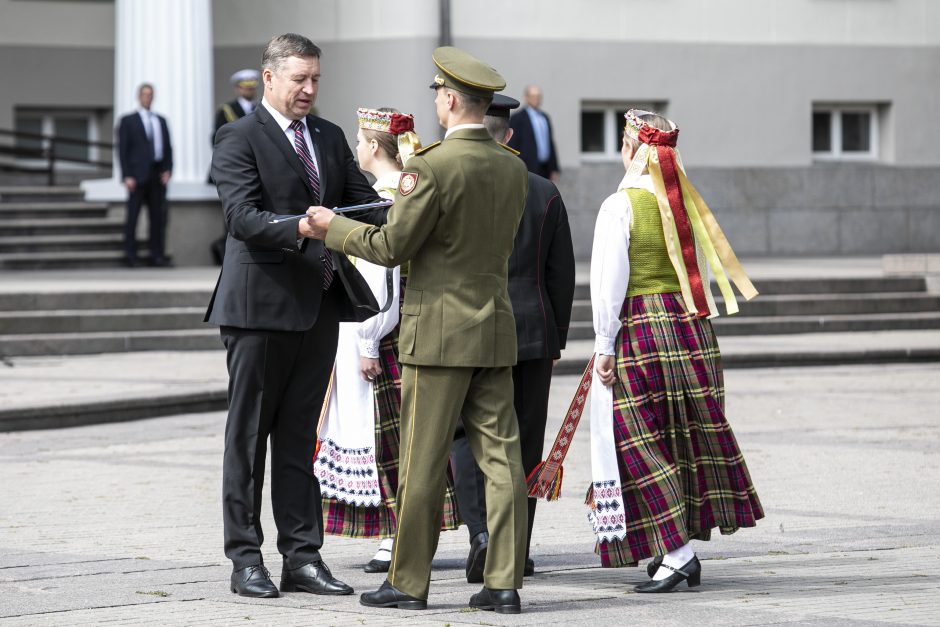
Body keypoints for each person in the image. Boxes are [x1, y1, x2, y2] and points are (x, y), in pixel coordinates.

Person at [307, 46, 529, 614]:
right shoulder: (512, 166)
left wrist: (333, 229)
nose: (436, 102)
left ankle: (408, 582)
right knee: (502, 462)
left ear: (451, 100)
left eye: (437, 94)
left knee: (422, 462)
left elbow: (390, 246)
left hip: (436, 334)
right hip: (494, 328)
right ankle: (503, 581)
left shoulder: (428, 167)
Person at [205, 33, 387, 600]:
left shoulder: (329, 137)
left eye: (315, 80)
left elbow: (364, 201)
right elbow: (241, 217)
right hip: (258, 309)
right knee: (248, 437)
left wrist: (406, 190)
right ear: (270, 77)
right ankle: (245, 559)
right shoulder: (238, 136)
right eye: (299, 80)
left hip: (319, 306)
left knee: (298, 439)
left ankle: (302, 557)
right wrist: (303, 227)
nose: (309, 89)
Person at [588, 109, 763, 593]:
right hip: (690, 329)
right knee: (678, 438)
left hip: (642, 330)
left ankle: (680, 553)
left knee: (638, 439)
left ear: (630, 150)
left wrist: (605, 345)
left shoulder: (619, 205)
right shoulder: (681, 203)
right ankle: (673, 547)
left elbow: (608, 285)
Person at [313, 107, 460, 574]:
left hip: (379, 330)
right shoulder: (404, 191)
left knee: (385, 436)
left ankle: (396, 534)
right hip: (388, 328)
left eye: (360, 140)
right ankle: (396, 532)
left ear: (373, 147)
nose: (357, 148)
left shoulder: (385, 198)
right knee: (397, 434)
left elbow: (383, 276)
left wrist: (368, 340)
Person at [450, 94, 575, 583]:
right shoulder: (543, 190)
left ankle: (482, 534)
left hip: (471, 326)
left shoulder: (456, 179)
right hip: (532, 332)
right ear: (511, 135)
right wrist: (557, 338)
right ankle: (517, 548)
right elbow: (560, 275)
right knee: (525, 441)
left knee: (466, 434)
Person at [117, 83, 173, 267]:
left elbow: (167, 148)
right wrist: (127, 175)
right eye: (144, 94)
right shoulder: (128, 121)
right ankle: (130, 255)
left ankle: (156, 255)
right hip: (137, 175)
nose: (147, 97)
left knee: (158, 218)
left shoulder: (161, 120)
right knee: (133, 216)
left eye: (150, 94)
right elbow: (123, 151)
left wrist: (168, 169)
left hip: (157, 175)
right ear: (139, 96)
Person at [209, 68, 261, 263]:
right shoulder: (226, 110)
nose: (249, 91)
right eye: (245, 88)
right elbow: (217, 139)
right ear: (238, 89)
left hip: (258, 167)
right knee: (234, 211)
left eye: (251, 88)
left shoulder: (259, 108)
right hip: (237, 167)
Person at [507, 85, 559, 181]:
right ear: (526, 98)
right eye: (534, 96)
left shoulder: (545, 117)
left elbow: (550, 143)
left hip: (545, 168)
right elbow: (512, 144)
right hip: (528, 168)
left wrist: (554, 168)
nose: (537, 99)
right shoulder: (517, 118)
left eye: (539, 96)